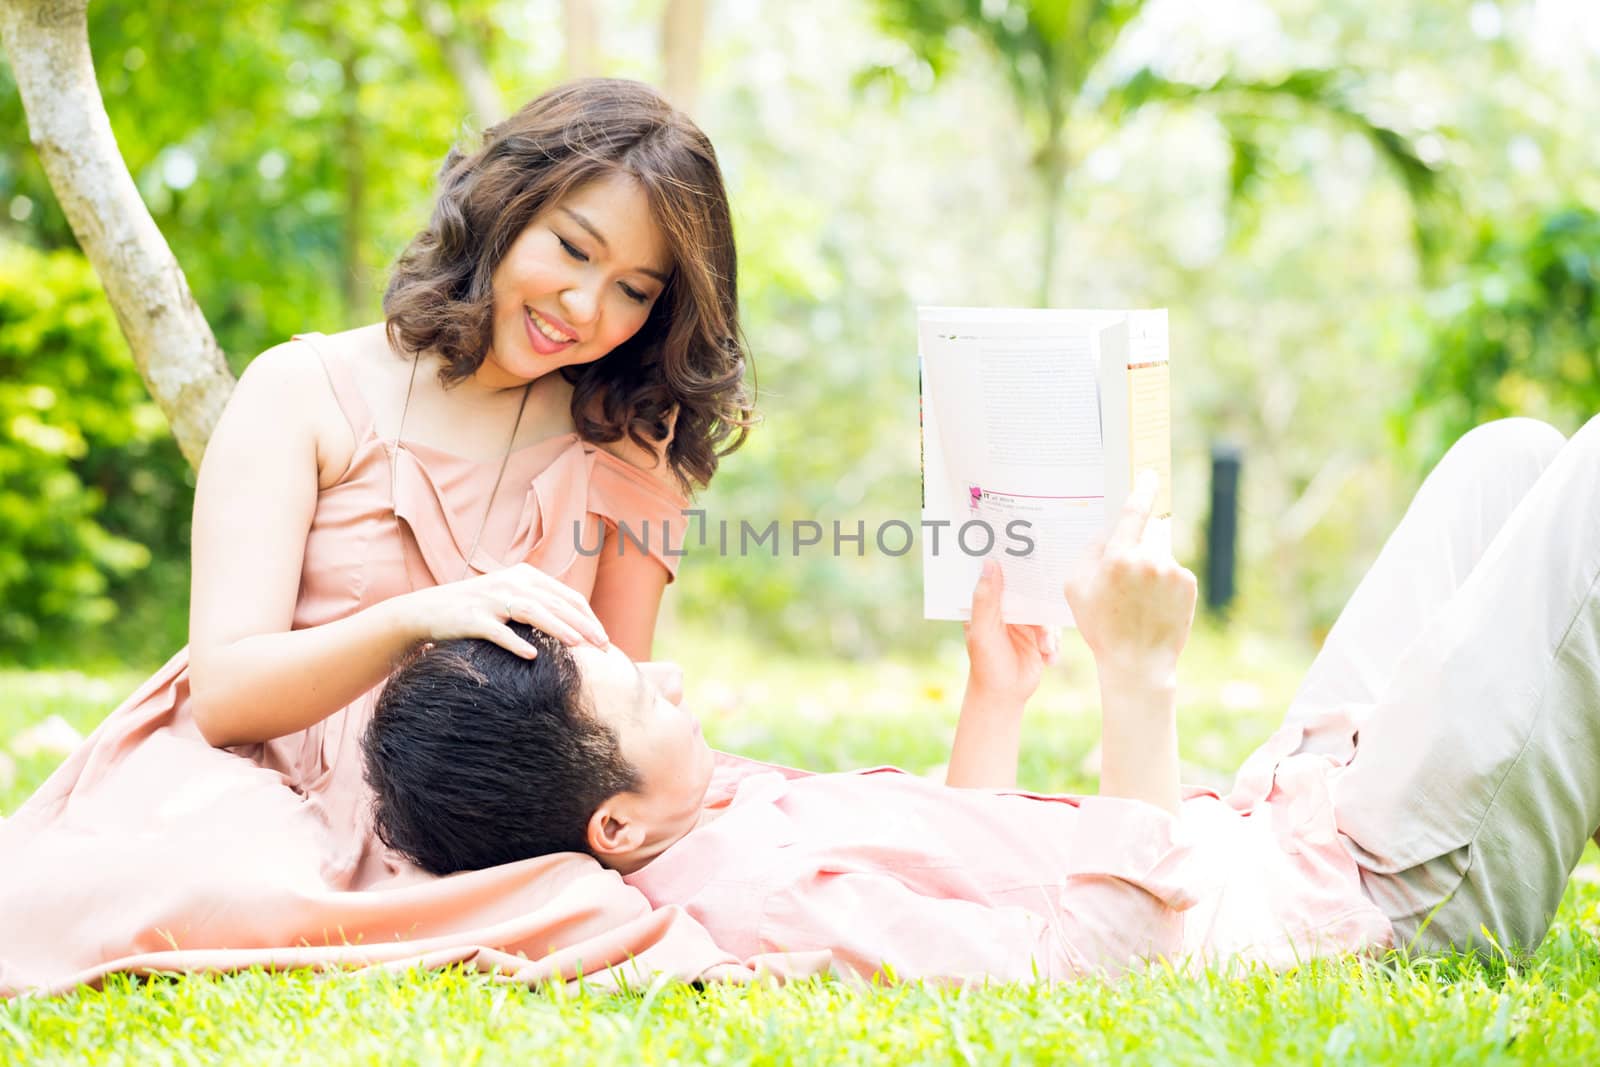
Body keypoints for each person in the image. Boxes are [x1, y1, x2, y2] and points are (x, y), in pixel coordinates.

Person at [0, 78, 767, 996]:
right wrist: (423, 617)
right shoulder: (304, 390)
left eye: (633, 290)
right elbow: (228, 695)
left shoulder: (632, 447)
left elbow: (610, 731)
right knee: (195, 882)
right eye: (571, 248)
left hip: (483, 822)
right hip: (261, 783)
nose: (585, 305)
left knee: (650, 895)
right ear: (503, 206)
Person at [363, 416, 1600, 983]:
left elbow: (965, 870)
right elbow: (1115, 955)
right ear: (615, 826)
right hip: (1372, 898)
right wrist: (1139, 677)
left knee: (1506, 460)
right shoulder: (755, 894)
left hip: (1292, 816)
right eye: (640, 694)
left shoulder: (723, 817)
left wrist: (992, 698)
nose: (670, 671)